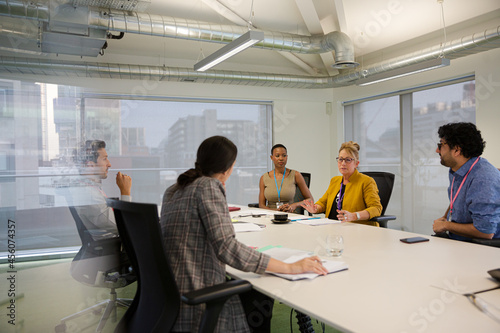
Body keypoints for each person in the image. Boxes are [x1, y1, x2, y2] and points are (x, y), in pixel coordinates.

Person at [160, 136, 327, 333]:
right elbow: (227, 248)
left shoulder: (174, 189)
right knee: (261, 292)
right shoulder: (208, 186)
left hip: (170, 295)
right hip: (199, 296)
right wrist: (289, 267)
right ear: (229, 167)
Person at [432, 122, 500, 241]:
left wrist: (446, 225)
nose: (437, 150)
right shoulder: (457, 170)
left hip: (480, 250)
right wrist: (445, 217)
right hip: (458, 243)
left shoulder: (483, 178)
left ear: (457, 150)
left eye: (441, 145)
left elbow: (486, 231)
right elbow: (459, 197)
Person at [301, 141, 382, 226]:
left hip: (355, 229)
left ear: (356, 163)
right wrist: (315, 208)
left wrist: (355, 216)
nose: (343, 163)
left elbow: (376, 208)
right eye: (340, 159)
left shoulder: (367, 182)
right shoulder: (335, 180)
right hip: (332, 228)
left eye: (348, 160)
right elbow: (323, 203)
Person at [66, 140, 132, 232]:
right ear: (91, 165)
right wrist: (125, 191)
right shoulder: (89, 195)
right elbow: (123, 226)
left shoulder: (88, 188)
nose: (109, 164)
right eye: (104, 159)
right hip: (115, 242)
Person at [259, 144, 313, 212]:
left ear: (287, 157)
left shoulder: (295, 175)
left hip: (290, 214)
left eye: (284, 155)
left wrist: (294, 205)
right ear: (272, 158)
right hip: (270, 215)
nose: (281, 158)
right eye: (277, 156)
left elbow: (310, 199)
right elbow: (261, 205)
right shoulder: (264, 178)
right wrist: (276, 210)